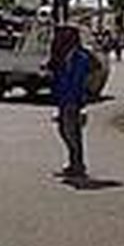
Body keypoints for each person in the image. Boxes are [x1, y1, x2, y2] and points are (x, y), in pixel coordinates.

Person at [49, 25, 92, 179]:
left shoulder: (80, 57)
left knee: (71, 133)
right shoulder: (62, 57)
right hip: (63, 99)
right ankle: (74, 161)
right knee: (65, 131)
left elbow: (78, 82)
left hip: (73, 100)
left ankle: (77, 163)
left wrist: (78, 102)